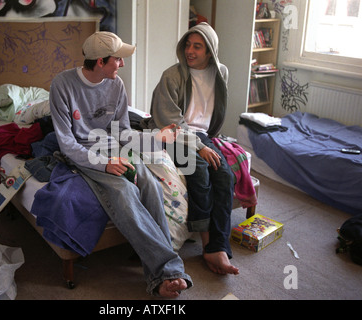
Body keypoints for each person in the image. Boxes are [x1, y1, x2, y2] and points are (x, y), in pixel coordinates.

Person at [49, 31, 192, 297]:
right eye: (118, 59)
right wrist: (104, 165)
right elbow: (67, 144)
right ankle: (169, 270)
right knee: (124, 191)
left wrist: (156, 139)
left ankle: (158, 277)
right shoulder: (62, 85)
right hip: (85, 152)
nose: (122, 64)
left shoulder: (116, 85)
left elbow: (122, 132)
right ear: (100, 61)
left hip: (112, 147)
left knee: (150, 185)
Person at [142, 22, 239, 275]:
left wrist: (207, 141)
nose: (190, 51)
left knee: (225, 175)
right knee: (199, 171)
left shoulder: (221, 73)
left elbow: (215, 111)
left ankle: (219, 245)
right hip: (170, 134)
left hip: (201, 135)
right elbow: (169, 121)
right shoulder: (172, 76)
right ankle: (208, 245)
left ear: (210, 52)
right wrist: (199, 147)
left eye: (198, 46)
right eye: (188, 45)